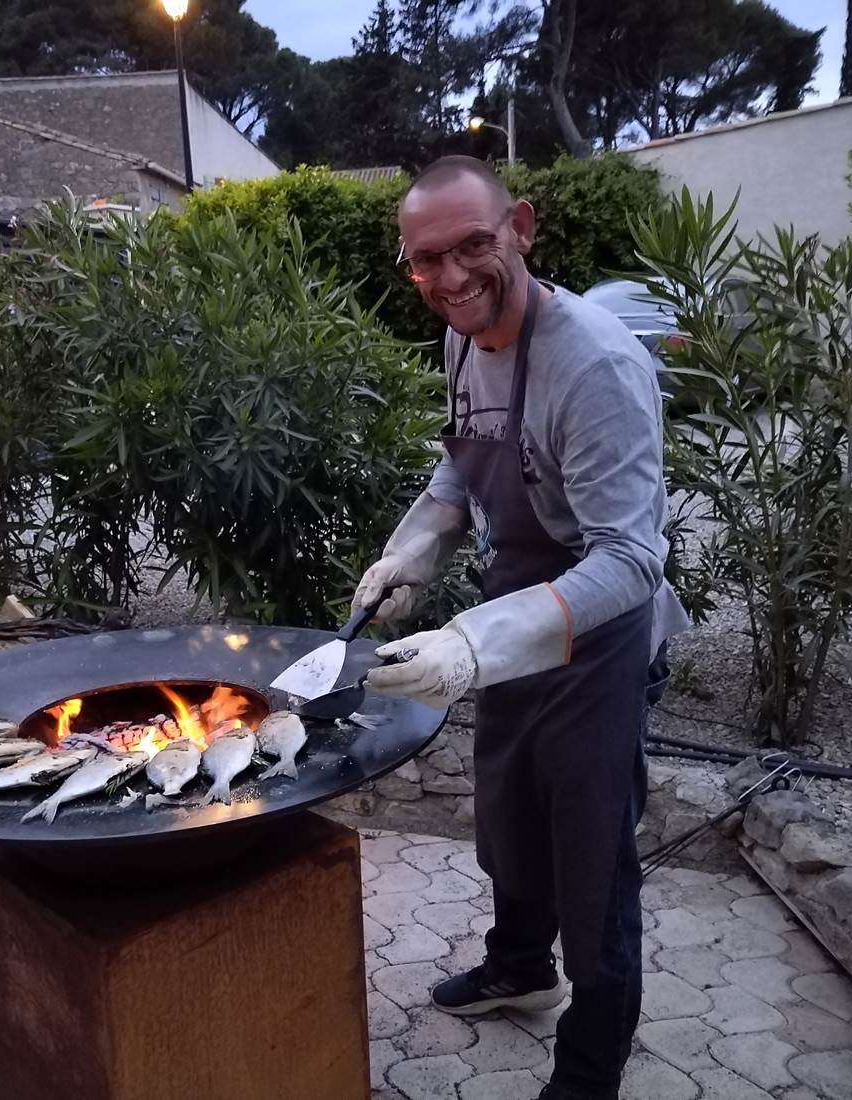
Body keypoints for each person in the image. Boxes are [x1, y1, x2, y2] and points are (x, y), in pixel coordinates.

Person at [356, 156, 687, 1100]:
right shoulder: (464, 337)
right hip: (514, 604)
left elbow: (631, 560)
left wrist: (472, 646)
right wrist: (407, 558)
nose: (451, 277)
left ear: (522, 230)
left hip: (603, 630)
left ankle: (588, 1071)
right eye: (427, 260)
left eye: (472, 247)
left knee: (591, 859)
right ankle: (518, 967)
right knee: (507, 810)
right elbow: (460, 471)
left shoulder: (598, 364)